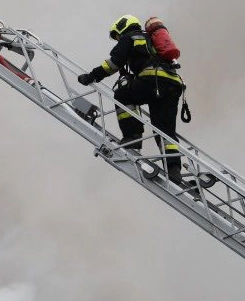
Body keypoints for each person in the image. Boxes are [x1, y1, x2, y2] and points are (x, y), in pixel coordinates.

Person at [75, 15, 191, 187]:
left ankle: (132, 136)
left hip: (153, 80)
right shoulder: (151, 40)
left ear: (123, 27)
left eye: (117, 35)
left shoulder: (130, 37)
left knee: (123, 95)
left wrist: (91, 76)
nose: (117, 39)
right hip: (173, 84)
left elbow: (113, 64)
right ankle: (174, 170)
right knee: (165, 130)